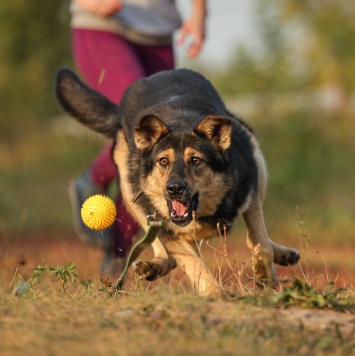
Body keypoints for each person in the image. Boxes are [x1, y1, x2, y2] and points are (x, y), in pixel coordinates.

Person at [68, 0, 208, 277]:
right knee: (142, 123)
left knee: (161, 133)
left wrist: (199, 12)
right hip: (103, 26)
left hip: (158, 32)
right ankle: (95, 178)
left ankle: (117, 253)